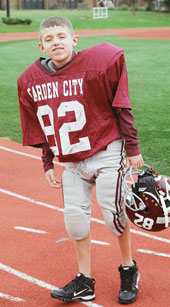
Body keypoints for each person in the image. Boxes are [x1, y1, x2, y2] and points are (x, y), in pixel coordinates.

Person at [17, 16, 144, 305]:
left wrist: (133, 148)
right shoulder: (30, 81)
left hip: (106, 148)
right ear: (41, 45)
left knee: (114, 215)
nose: (56, 42)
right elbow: (43, 124)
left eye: (61, 36)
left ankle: (128, 268)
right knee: (75, 220)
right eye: (49, 39)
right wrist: (47, 162)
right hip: (71, 158)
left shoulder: (101, 61)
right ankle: (84, 281)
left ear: (75, 40)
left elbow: (121, 105)